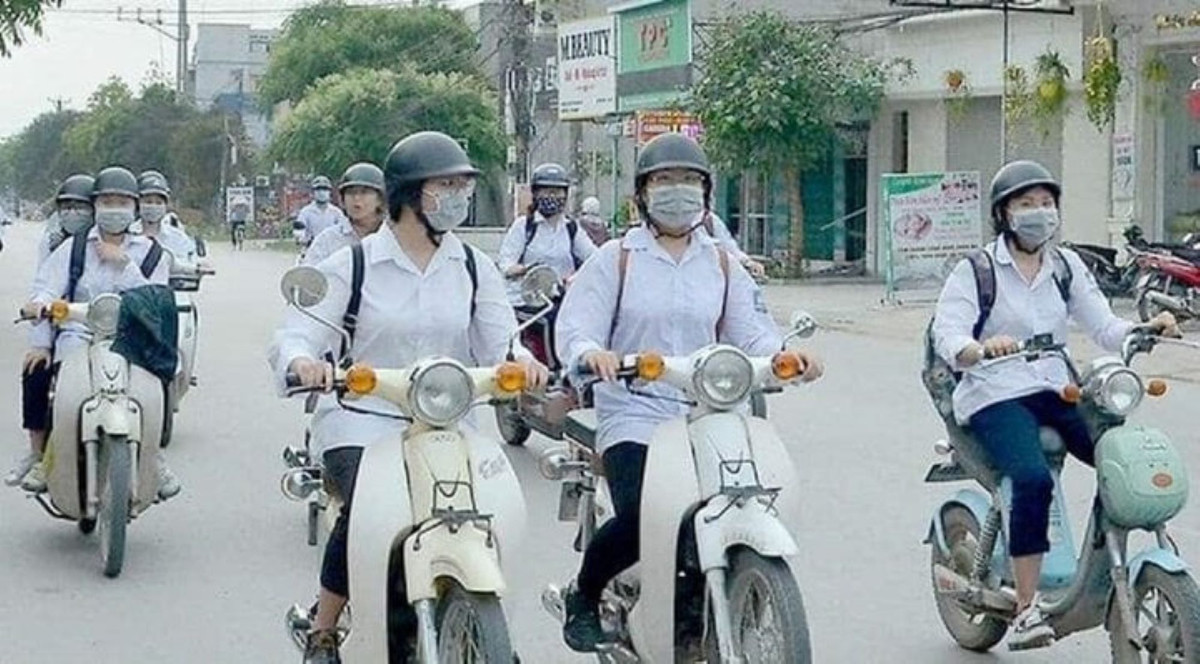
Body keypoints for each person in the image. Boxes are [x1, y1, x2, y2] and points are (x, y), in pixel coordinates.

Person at [269, 131, 549, 664]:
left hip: (448, 421)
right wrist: (303, 362)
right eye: (445, 185)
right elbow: (297, 334)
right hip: (364, 415)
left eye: (463, 186)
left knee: (491, 508)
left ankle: (488, 629)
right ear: (408, 193)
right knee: (365, 508)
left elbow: (502, 341)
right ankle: (323, 628)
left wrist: (523, 361)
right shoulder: (354, 264)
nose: (458, 197)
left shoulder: (473, 266)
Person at [553, 133, 824, 652]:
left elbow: (753, 333)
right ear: (642, 194)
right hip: (635, 411)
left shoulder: (721, 262)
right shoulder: (616, 259)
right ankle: (584, 593)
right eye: (664, 180)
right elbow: (577, 327)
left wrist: (786, 356)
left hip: (709, 411)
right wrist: (593, 353)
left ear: (705, 192)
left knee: (741, 500)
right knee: (646, 515)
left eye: (688, 181)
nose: (677, 190)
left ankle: (702, 606)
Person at [931, 160, 1178, 650]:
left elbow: (1104, 325)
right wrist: (978, 348)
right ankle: (1026, 608)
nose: (1039, 213)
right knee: (1032, 479)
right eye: (1026, 204)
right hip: (995, 393)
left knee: (1123, 459)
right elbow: (948, 333)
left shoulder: (1065, 266)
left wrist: (1144, 329)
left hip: (1055, 387)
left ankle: (1120, 563)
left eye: (1046, 203)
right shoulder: (977, 270)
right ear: (1004, 214)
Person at [10, 166, 180, 499]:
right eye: (106, 202)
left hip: (132, 337)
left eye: (122, 203)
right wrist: (39, 312)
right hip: (78, 332)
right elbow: (46, 288)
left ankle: (154, 457)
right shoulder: (73, 248)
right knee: (41, 373)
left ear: (134, 208)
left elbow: (156, 300)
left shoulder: (152, 253)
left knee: (155, 385)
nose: (114, 209)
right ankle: (41, 453)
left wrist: (123, 263)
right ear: (96, 206)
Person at [497, 162, 597, 306]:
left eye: (557, 192)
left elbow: (595, 258)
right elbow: (506, 265)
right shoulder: (523, 226)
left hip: (562, 303)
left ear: (565, 195)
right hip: (525, 304)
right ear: (535, 194)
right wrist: (526, 270)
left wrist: (575, 278)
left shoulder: (572, 228)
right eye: (546, 191)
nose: (552, 196)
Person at [300, 162, 386, 267]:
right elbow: (309, 274)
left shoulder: (393, 236)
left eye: (364, 192)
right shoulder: (328, 240)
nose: (356, 198)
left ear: (380, 199)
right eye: (350, 192)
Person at [132, 170, 199, 272]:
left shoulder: (178, 237)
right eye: (148, 202)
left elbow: (192, 262)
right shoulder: (128, 234)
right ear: (137, 204)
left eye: (159, 203)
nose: (153, 206)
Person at [36, 174, 96, 268]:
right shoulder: (50, 241)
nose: (72, 213)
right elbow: (44, 272)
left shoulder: (104, 244)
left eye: (80, 207)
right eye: (66, 207)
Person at [297, 175, 348, 247]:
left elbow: (343, 230)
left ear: (329, 192)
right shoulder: (305, 212)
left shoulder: (336, 212)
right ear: (313, 192)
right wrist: (303, 239)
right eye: (318, 189)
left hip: (332, 248)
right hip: (311, 248)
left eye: (325, 189)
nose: (321, 192)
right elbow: (300, 233)